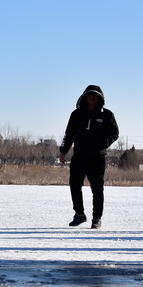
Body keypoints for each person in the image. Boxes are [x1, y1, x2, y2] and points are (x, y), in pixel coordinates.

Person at [59, 85, 119, 230]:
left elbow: (114, 133)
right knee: (74, 184)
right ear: (85, 97)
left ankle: (97, 218)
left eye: (95, 95)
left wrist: (102, 144)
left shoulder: (107, 115)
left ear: (100, 98)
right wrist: (63, 151)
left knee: (97, 189)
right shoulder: (76, 114)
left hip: (97, 158)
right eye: (89, 95)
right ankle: (79, 214)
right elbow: (69, 134)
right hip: (79, 156)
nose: (92, 97)